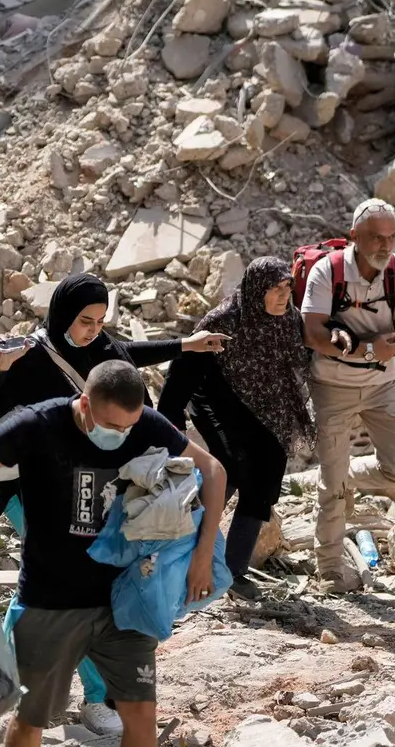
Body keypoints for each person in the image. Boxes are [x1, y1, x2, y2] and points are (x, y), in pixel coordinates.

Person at [0, 272, 224, 736]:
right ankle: (71, 689)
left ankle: (71, 685)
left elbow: (130, 356)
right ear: (64, 314)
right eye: (85, 320)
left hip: (100, 492)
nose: (93, 330)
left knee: (88, 590)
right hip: (35, 492)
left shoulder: (104, 355)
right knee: (56, 584)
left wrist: (185, 344)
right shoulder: (32, 357)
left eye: (101, 321)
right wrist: (1, 367)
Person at [158, 257, 313, 600]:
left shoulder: (289, 320)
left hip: (262, 409)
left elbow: (301, 360)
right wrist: (169, 416)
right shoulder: (225, 319)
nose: (283, 295)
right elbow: (185, 366)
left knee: (265, 474)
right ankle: (178, 550)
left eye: (287, 287)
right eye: (275, 289)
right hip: (216, 400)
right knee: (231, 467)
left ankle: (232, 571)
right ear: (257, 290)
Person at [300, 198, 395, 592]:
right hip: (332, 387)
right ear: (354, 236)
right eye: (375, 237)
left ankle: (349, 475)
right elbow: (312, 333)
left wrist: (365, 349)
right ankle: (331, 568)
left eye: (391, 237)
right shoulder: (327, 271)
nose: (384, 246)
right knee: (330, 486)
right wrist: (369, 347)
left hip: (382, 385)